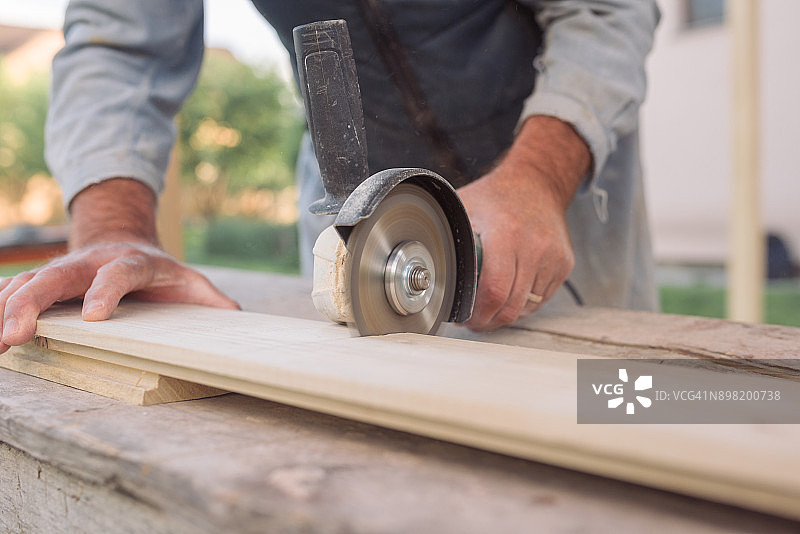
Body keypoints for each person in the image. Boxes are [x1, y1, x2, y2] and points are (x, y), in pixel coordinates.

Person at [0, 0, 660, 354]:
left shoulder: (545, 175)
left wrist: (540, 176)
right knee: (365, 411)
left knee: (611, 404)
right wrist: (112, 230)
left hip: (550, 171)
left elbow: (607, 10)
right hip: (351, 197)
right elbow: (121, 45)